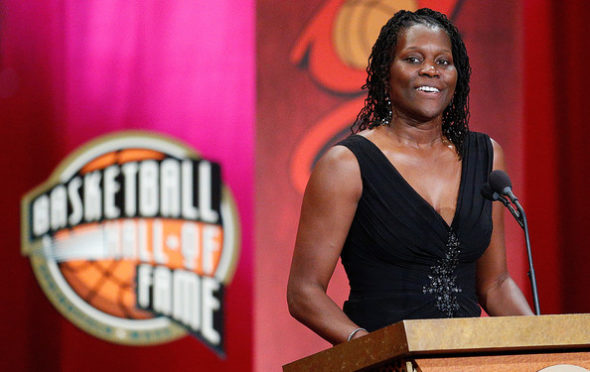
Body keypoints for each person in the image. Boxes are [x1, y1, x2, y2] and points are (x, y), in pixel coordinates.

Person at [286, 8, 533, 345]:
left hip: (468, 360)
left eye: (443, 62)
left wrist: (545, 345)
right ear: (386, 73)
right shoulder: (347, 164)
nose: (430, 70)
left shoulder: (485, 156)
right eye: (413, 59)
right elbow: (304, 292)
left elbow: (495, 284)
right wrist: (370, 349)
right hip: (387, 361)